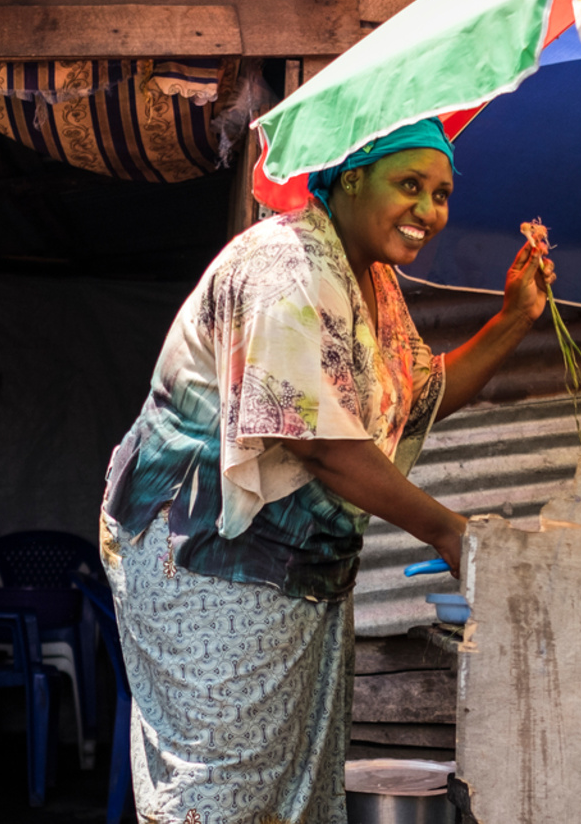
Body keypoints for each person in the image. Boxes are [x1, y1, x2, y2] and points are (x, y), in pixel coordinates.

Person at [99, 118, 552, 822]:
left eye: (441, 194)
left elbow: (416, 399)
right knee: (225, 788)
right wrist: (449, 532)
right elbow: (321, 441)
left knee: (294, 792)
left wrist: (515, 317)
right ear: (351, 177)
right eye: (410, 185)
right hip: (205, 555)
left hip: (299, 566)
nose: (430, 210)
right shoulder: (285, 267)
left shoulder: (373, 282)